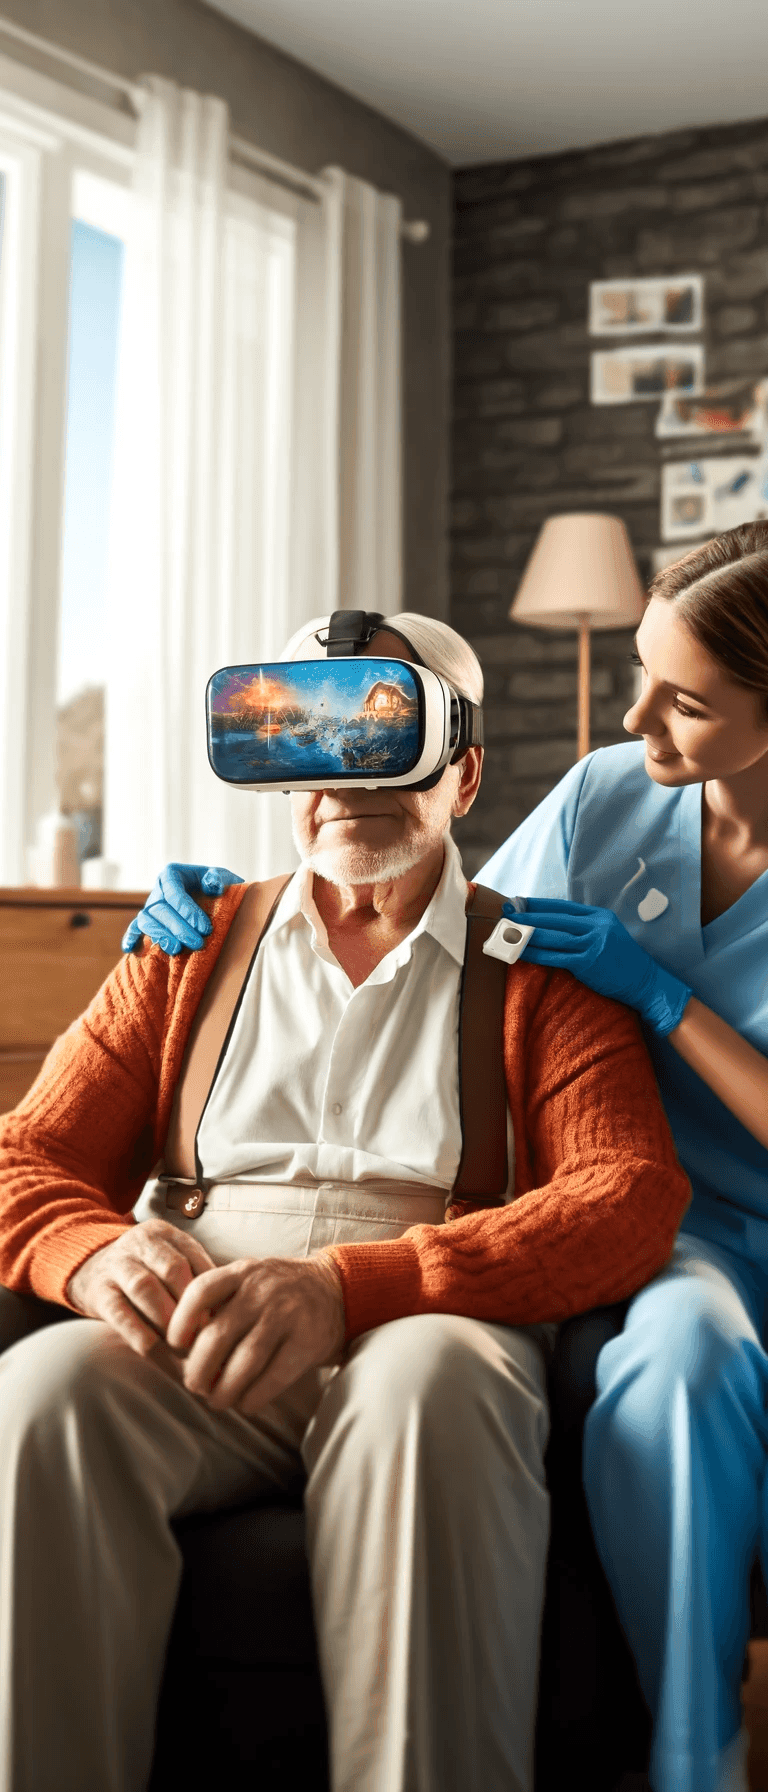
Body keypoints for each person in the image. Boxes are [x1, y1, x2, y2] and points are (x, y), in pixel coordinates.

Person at [141, 525, 768, 1792]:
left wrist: (659, 994)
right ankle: (690, 1750)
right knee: (674, 1371)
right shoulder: (607, 795)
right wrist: (240, 911)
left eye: (684, 699)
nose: (634, 715)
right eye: (641, 669)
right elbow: (445, 920)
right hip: (682, 1224)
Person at [0, 612, 692, 1792]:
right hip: (199, 1327)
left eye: (385, 737)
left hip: (429, 1319)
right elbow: (26, 1156)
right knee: (44, 1390)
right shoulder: (186, 944)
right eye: (309, 744)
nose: (346, 781)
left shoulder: (541, 968)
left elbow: (623, 1193)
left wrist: (350, 1286)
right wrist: (86, 1251)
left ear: (464, 773)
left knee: (426, 1391)